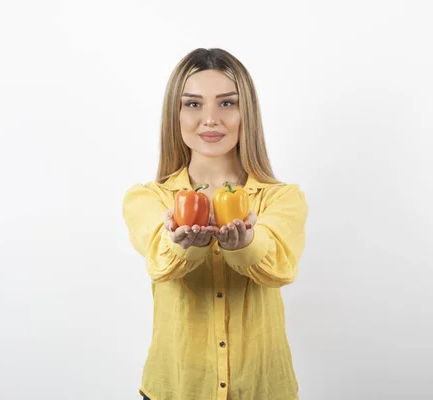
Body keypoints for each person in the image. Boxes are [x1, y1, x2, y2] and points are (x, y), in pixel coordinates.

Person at [122, 48, 309, 400]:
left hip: (262, 390)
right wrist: (180, 244)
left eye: (227, 103)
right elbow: (160, 262)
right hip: (174, 389)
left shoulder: (282, 198)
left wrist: (245, 245)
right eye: (193, 104)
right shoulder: (147, 199)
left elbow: (279, 267)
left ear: (246, 113)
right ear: (174, 115)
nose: (210, 119)